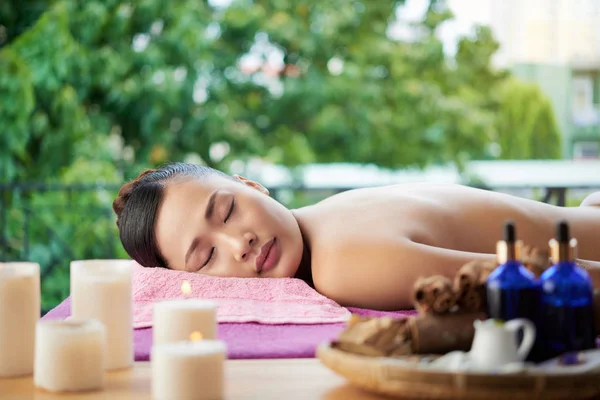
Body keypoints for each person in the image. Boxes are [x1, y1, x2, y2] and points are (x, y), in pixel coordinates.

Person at [113, 162, 600, 310]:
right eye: (205, 258)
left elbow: (553, 284)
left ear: (251, 185)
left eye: (227, 210)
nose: (238, 243)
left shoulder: (340, 264)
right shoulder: (325, 216)